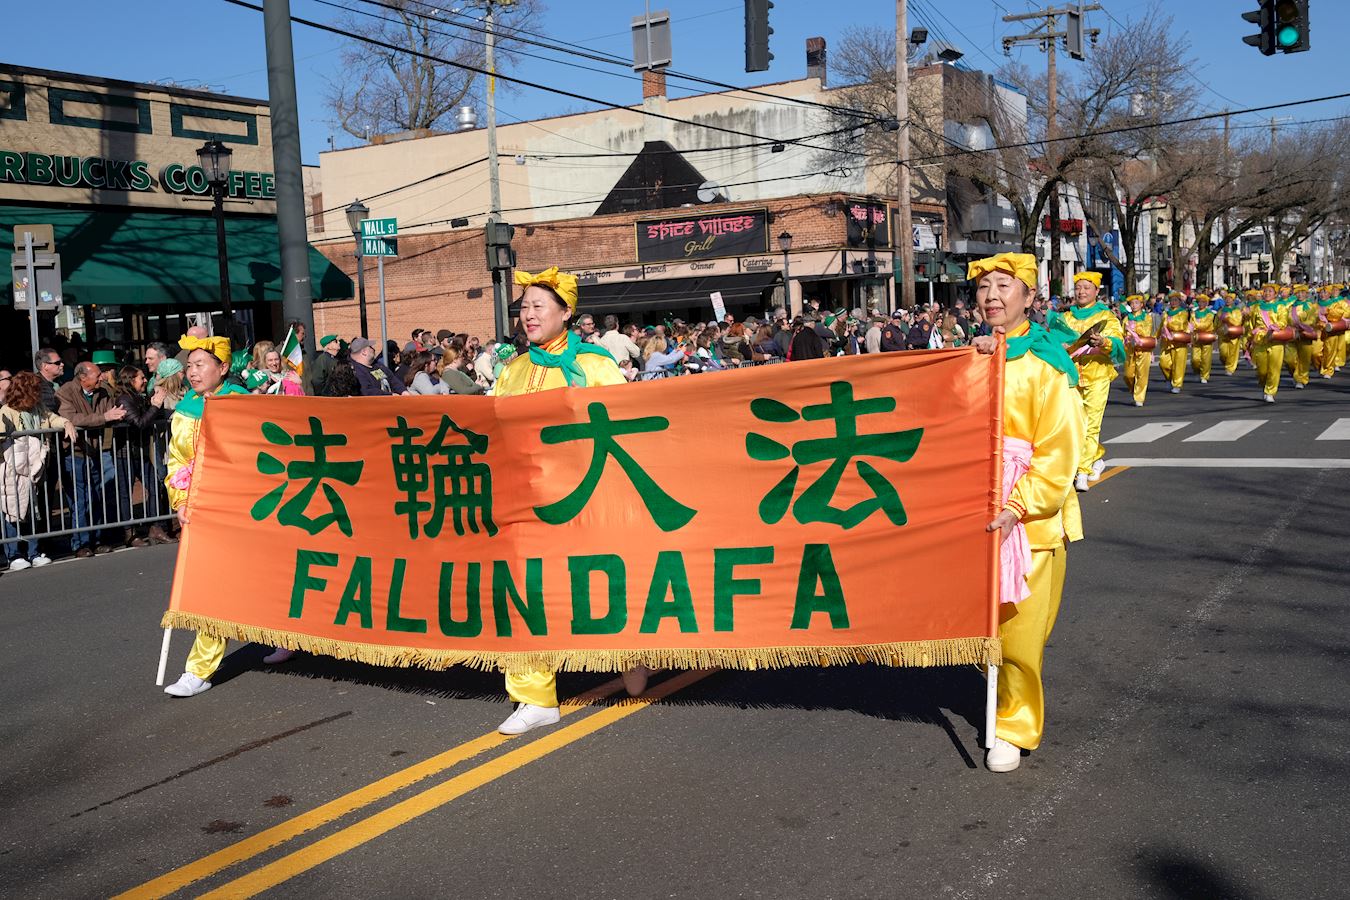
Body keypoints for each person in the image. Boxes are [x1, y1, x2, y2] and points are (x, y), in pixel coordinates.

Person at [493, 266, 642, 735]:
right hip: (528, 502)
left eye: (539, 306)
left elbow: (627, 427)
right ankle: (536, 697)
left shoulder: (596, 365)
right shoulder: (512, 370)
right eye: (524, 307)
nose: (528, 315)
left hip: (589, 498)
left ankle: (632, 652)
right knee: (524, 590)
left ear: (566, 313)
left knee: (599, 583)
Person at [967, 252, 1083, 774]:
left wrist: (1019, 504)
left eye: (1004, 286)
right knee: (983, 626)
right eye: (984, 287)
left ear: (1030, 298)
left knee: (1020, 633)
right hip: (972, 511)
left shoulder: (1049, 366)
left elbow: (1060, 450)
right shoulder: (967, 359)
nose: (992, 296)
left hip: (1028, 521)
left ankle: (1013, 725)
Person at [162, 335, 291, 697]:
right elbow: (177, 460)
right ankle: (199, 670)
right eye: (189, 365)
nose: (192, 372)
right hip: (204, 509)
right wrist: (180, 500)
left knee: (259, 578)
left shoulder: (242, 403)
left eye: (200, 364)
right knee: (218, 586)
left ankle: (284, 634)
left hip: (242, 507)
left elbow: (264, 453)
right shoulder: (186, 407)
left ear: (222, 368)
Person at [1048, 271, 1125, 491]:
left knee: (1091, 424)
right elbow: (1055, 340)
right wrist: (1059, 345)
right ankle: (1096, 457)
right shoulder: (1065, 317)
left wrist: (1104, 341)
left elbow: (1118, 344)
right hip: (1071, 377)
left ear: (1096, 291)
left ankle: (1081, 471)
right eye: (1078, 287)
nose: (1081, 292)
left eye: (1086, 288)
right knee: (1073, 424)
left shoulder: (1106, 316)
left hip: (1097, 376)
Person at [1, 371, 76, 571]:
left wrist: (67, 423)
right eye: (34, 388)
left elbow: (53, 418)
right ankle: (15, 553)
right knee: (13, 509)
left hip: (37, 467)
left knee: (36, 510)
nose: (38, 392)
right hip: (13, 469)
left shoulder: (38, 408)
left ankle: (34, 551)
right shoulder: (6, 411)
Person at [57, 361, 128, 558]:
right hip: (75, 453)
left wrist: (118, 415)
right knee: (80, 499)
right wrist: (105, 417)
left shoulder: (102, 391)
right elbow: (73, 419)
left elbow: (110, 411)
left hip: (95, 451)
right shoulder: (65, 392)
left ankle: (97, 540)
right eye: (97, 375)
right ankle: (81, 543)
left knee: (97, 495)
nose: (101, 378)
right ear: (83, 377)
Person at [112, 365, 172, 547]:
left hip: (141, 452)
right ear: (131, 381)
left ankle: (156, 528)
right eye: (141, 378)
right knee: (125, 494)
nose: (145, 380)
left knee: (155, 486)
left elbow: (150, 415)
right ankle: (130, 534)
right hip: (126, 454)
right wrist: (154, 405)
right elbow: (139, 422)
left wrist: (157, 403)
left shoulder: (139, 397)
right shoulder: (124, 399)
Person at [1248, 284, 1291, 403]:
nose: (1267, 293)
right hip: (1261, 340)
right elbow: (1251, 324)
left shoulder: (1280, 307)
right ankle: (1264, 385)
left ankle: (1270, 391)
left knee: (1274, 368)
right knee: (1262, 370)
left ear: (1275, 294)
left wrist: (1277, 326)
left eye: (1270, 291)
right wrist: (1249, 339)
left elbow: (1283, 320)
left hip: (1275, 339)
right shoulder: (1257, 307)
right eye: (1265, 291)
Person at [1120, 294, 1156, 407]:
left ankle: (1139, 397)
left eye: (1136, 303)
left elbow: (1146, 332)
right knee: (1128, 375)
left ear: (1141, 305)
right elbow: (1122, 333)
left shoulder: (1147, 317)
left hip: (1143, 348)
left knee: (1142, 374)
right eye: (1132, 303)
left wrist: (1134, 329)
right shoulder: (1127, 318)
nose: (1134, 305)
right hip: (1129, 349)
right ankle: (1134, 389)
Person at [1157, 292, 1191, 396]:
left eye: (1176, 300)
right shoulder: (1166, 313)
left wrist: (1169, 322)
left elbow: (1179, 325)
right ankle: (1169, 378)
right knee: (1163, 362)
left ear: (1180, 302)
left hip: (1179, 341)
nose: (1173, 302)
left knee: (1178, 364)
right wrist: (1156, 337)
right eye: (1172, 300)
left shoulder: (1183, 313)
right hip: (1167, 342)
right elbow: (1161, 327)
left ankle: (1177, 384)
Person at [1189, 296, 1219, 384]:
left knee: (1206, 359)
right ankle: (1196, 371)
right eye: (1199, 302)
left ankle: (1204, 375)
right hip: (1196, 338)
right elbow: (1191, 325)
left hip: (1206, 338)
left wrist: (1195, 324)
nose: (1201, 304)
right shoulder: (1194, 313)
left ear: (1206, 303)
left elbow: (1205, 325)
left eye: (1203, 302)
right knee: (1195, 359)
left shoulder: (1210, 314)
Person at [1218, 293, 1246, 376]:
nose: (1228, 300)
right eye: (1226, 298)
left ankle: (1230, 368)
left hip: (1233, 334)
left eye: (1230, 299)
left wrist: (1228, 318)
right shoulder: (1221, 311)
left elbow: (1238, 322)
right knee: (1223, 353)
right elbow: (1217, 322)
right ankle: (1225, 362)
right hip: (1223, 335)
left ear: (1233, 301)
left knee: (1232, 352)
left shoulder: (1236, 311)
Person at [35, 348, 64, 414]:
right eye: (57, 363)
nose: (62, 364)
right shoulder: (38, 386)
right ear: (45, 366)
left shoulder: (58, 382)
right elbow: (51, 412)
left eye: (61, 361)